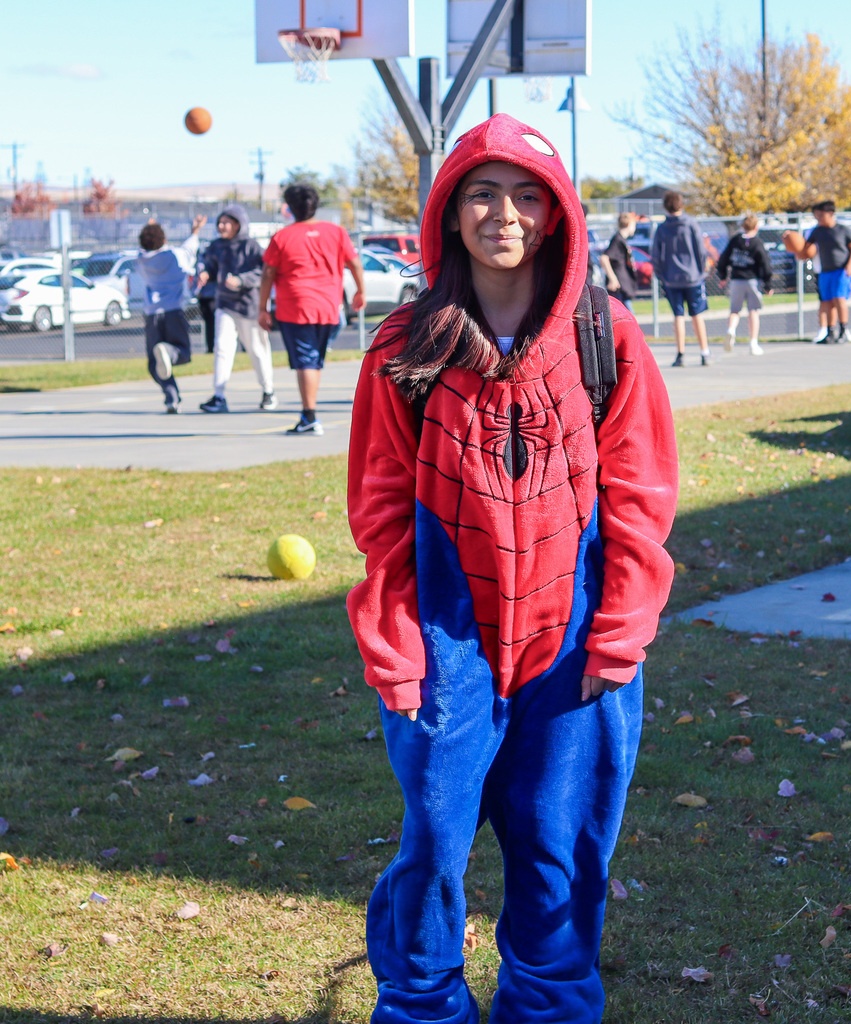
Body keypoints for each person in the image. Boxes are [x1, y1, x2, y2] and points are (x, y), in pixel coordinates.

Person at [345, 113, 678, 1024]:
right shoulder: (406, 344)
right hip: (450, 638)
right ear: (450, 214)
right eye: (483, 194)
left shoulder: (604, 336)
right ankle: (419, 1004)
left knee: (560, 849)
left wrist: (620, 630)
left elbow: (644, 492)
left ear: (558, 213)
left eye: (528, 194)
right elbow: (380, 512)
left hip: (573, 639)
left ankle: (550, 1004)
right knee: (435, 844)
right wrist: (401, 646)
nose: (506, 214)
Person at [258, 184, 367, 435]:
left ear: (290, 208)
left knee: (306, 361)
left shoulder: (283, 237)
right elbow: (355, 264)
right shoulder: (336, 232)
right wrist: (360, 291)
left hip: (296, 308)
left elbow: (267, 274)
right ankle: (309, 414)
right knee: (314, 361)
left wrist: (262, 308)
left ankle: (309, 417)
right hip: (329, 308)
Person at [195, 204, 276, 413]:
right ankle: (219, 395)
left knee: (257, 350)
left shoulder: (251, 246)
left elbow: (263, 272)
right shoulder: (217, 246)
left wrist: (241, 280)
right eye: (220, 222)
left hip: (249, 307)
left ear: (238, 224)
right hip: (225, 304)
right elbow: (206, 263)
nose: (221, 226)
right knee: (222, 348)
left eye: (226, 222)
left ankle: (268, 392)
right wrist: (204, 273)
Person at [134, 214, 206, 413]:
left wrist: (149, 229)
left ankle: (171, 396)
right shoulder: (175, 256)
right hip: (174, 312)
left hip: (152, 315)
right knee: (182, 353)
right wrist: (196, 230)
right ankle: (169, 352)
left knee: (154, 364)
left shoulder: (142, 260)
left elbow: (145, 246)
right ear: (164, 239)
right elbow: (190, 248)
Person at [650, 191, 712, 367]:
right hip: (692, 277)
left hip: (671, 278)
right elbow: (701, 250)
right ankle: (704, 352)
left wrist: (661, 275)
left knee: (678, 315)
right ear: (681, 204)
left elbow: (655, 255)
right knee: (696, 314)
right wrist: (701, 272)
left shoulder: (662, 228)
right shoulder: (691, 224)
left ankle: (681, 354)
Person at [716, 213, 772, 355]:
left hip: (736, 280)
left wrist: (722, 275)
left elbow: (723, 258)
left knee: (735, 310)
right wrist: (768, 284)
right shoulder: (757, 243)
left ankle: (731, 330)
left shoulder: (735, 240)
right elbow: (765, 263)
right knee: (753, 310)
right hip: (752, 280)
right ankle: (753, 343)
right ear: (756, 227)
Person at [804, 200, 851, 344]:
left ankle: (844, 330)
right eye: (816, 216)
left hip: (840, 270)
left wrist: (850, 265)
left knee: (839, 299)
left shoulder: (842, 230)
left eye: (821, 215)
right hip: (825, 271)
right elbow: (806, 248)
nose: (818, 218)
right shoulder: (817, 231)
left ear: (831, 214)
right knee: (827, 302)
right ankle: (830, 331)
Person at [600, 211, 639, 310]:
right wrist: (612, 278)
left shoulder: (621, 240)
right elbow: (604, 258)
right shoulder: (617, 240)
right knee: (628, 319)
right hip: (619, 288)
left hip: (624, 286)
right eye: (634, 225)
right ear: (629, 224)